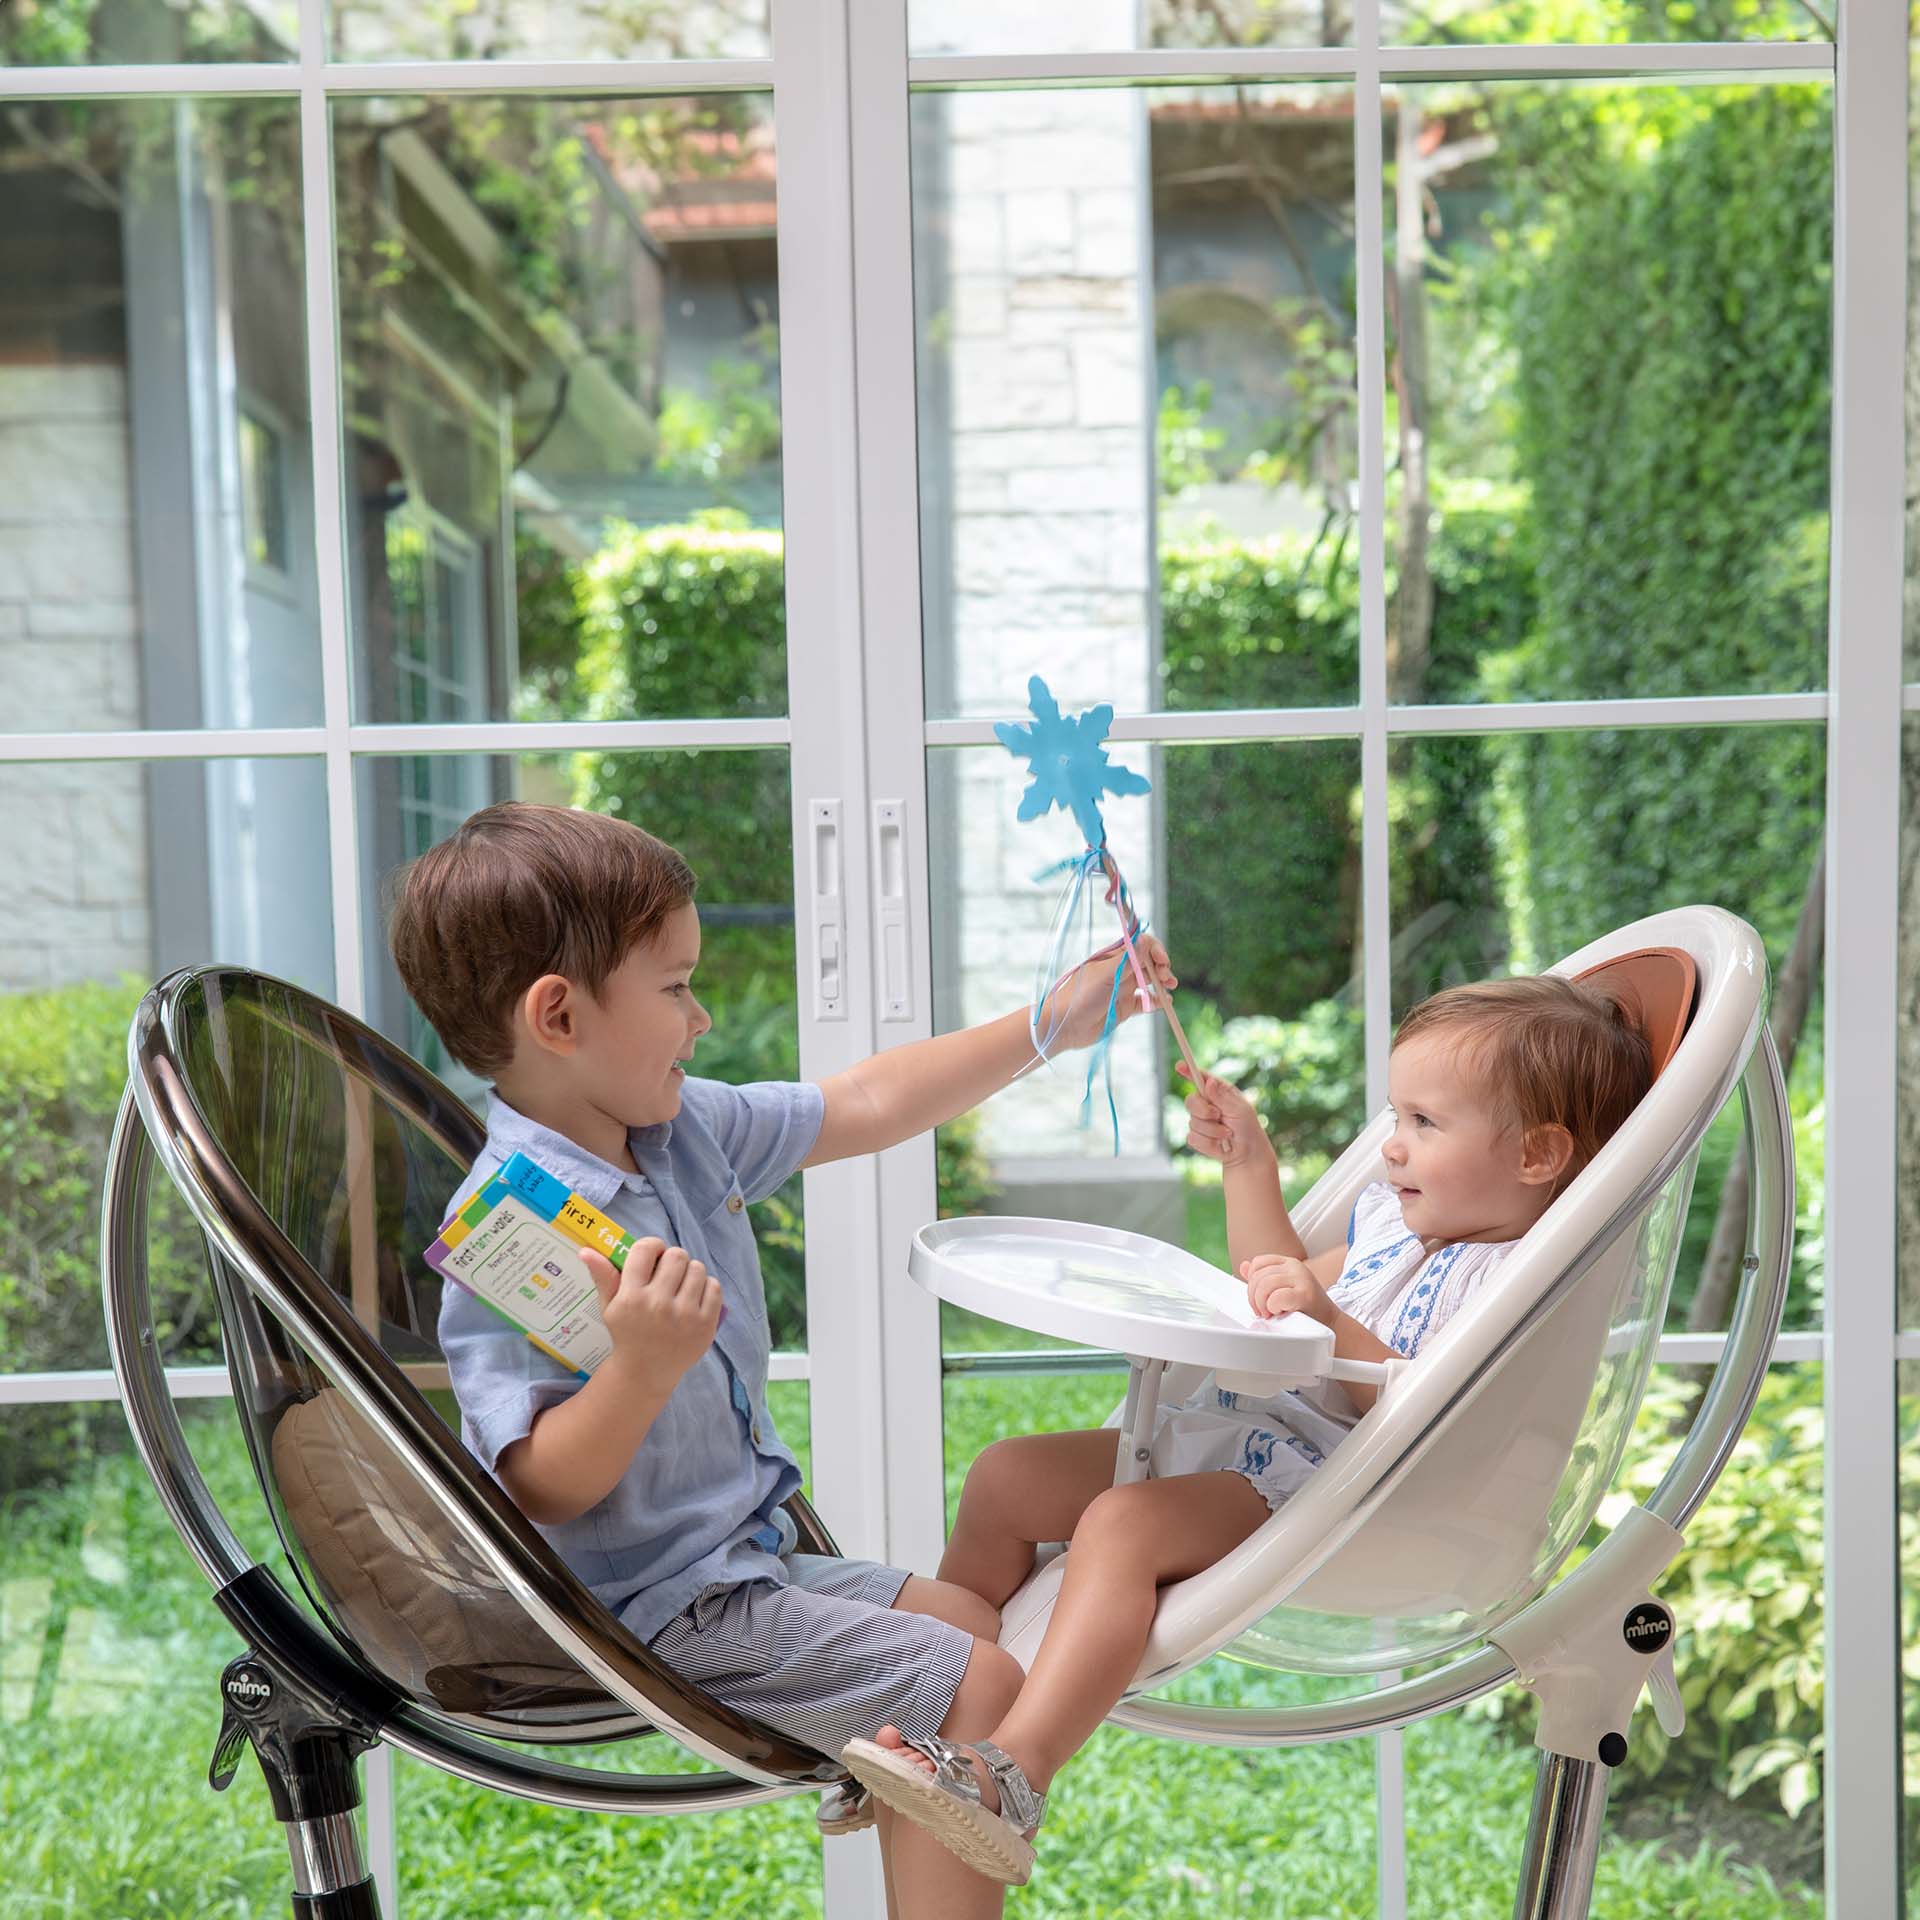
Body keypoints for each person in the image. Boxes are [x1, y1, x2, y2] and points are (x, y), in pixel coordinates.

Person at [387, 800, 1174, 1920]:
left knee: (971, 1621)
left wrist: (1053, 1021)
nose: (700, 1018)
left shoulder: (674, 1129)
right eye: (674, 988)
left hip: (745, 1566)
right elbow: (535, 1486)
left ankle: (887, 1769)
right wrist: (639, 1371)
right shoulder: (520, 1231)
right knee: (979, 1687)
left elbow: (866, 1102)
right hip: (652, 1615)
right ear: (559, 1016)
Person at [842, 974, 1653, 1887]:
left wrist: (1327, 1318)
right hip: (1238, 1432)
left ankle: (1013, 1772)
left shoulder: (1515, 1277)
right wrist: (1249, 1167)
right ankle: (947, 1706)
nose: (1392, 1148)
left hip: (1322, 1486)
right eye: (1397, 1116)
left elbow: (1423, 1411)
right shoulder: (1396, 1221)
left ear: (1539, 1156)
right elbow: (1280, 1284)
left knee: (1121, 1525)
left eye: (1425, 1124)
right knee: (1006, 1475)